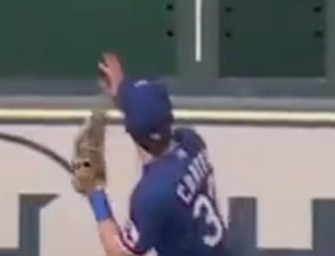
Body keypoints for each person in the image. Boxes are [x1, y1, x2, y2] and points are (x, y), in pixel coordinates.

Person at [84, 51, 231, 255]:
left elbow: (119, 252)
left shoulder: (150, 195)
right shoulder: (191, 142)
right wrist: (122, 95)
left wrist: (95, 192)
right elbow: (148, 126)